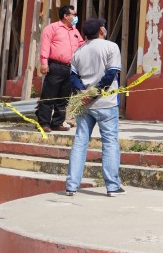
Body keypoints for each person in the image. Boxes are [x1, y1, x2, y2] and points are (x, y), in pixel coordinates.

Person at [65, 17, 125, 197]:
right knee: (110, 142)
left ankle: (71, 185)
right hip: (106, 103)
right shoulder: (111, 46)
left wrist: (83, 93)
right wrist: (94, 93)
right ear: (101, 30)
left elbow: (73, 77)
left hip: (84, 105)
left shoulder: (79, 51)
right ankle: (112, 186)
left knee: (80, 142)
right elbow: (111, 75)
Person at [36, 4, 84, 133]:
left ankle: (57, 123)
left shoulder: (74, 31)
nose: (75, 17)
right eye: (73, 14)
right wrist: (44, 63)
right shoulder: (51, 28)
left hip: (70, 68)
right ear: (65, 16)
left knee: (63, 97)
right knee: (49, 96)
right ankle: (44, 123)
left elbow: (81, 44)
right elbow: (45, 46)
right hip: (55, 66)